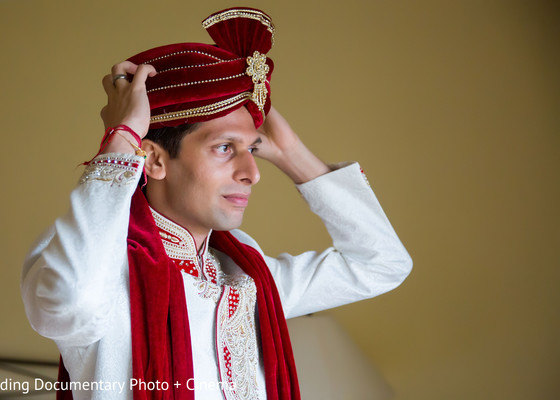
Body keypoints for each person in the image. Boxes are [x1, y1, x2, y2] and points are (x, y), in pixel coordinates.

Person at [21, 7, 412, 400]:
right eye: (225, 148)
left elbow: (381, 264)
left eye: (253, 150)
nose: (252, 173)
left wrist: (291, 152)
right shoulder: (97, 264)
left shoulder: (247, 273)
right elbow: (73, 303)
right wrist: (121, 141)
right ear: (154, 159)